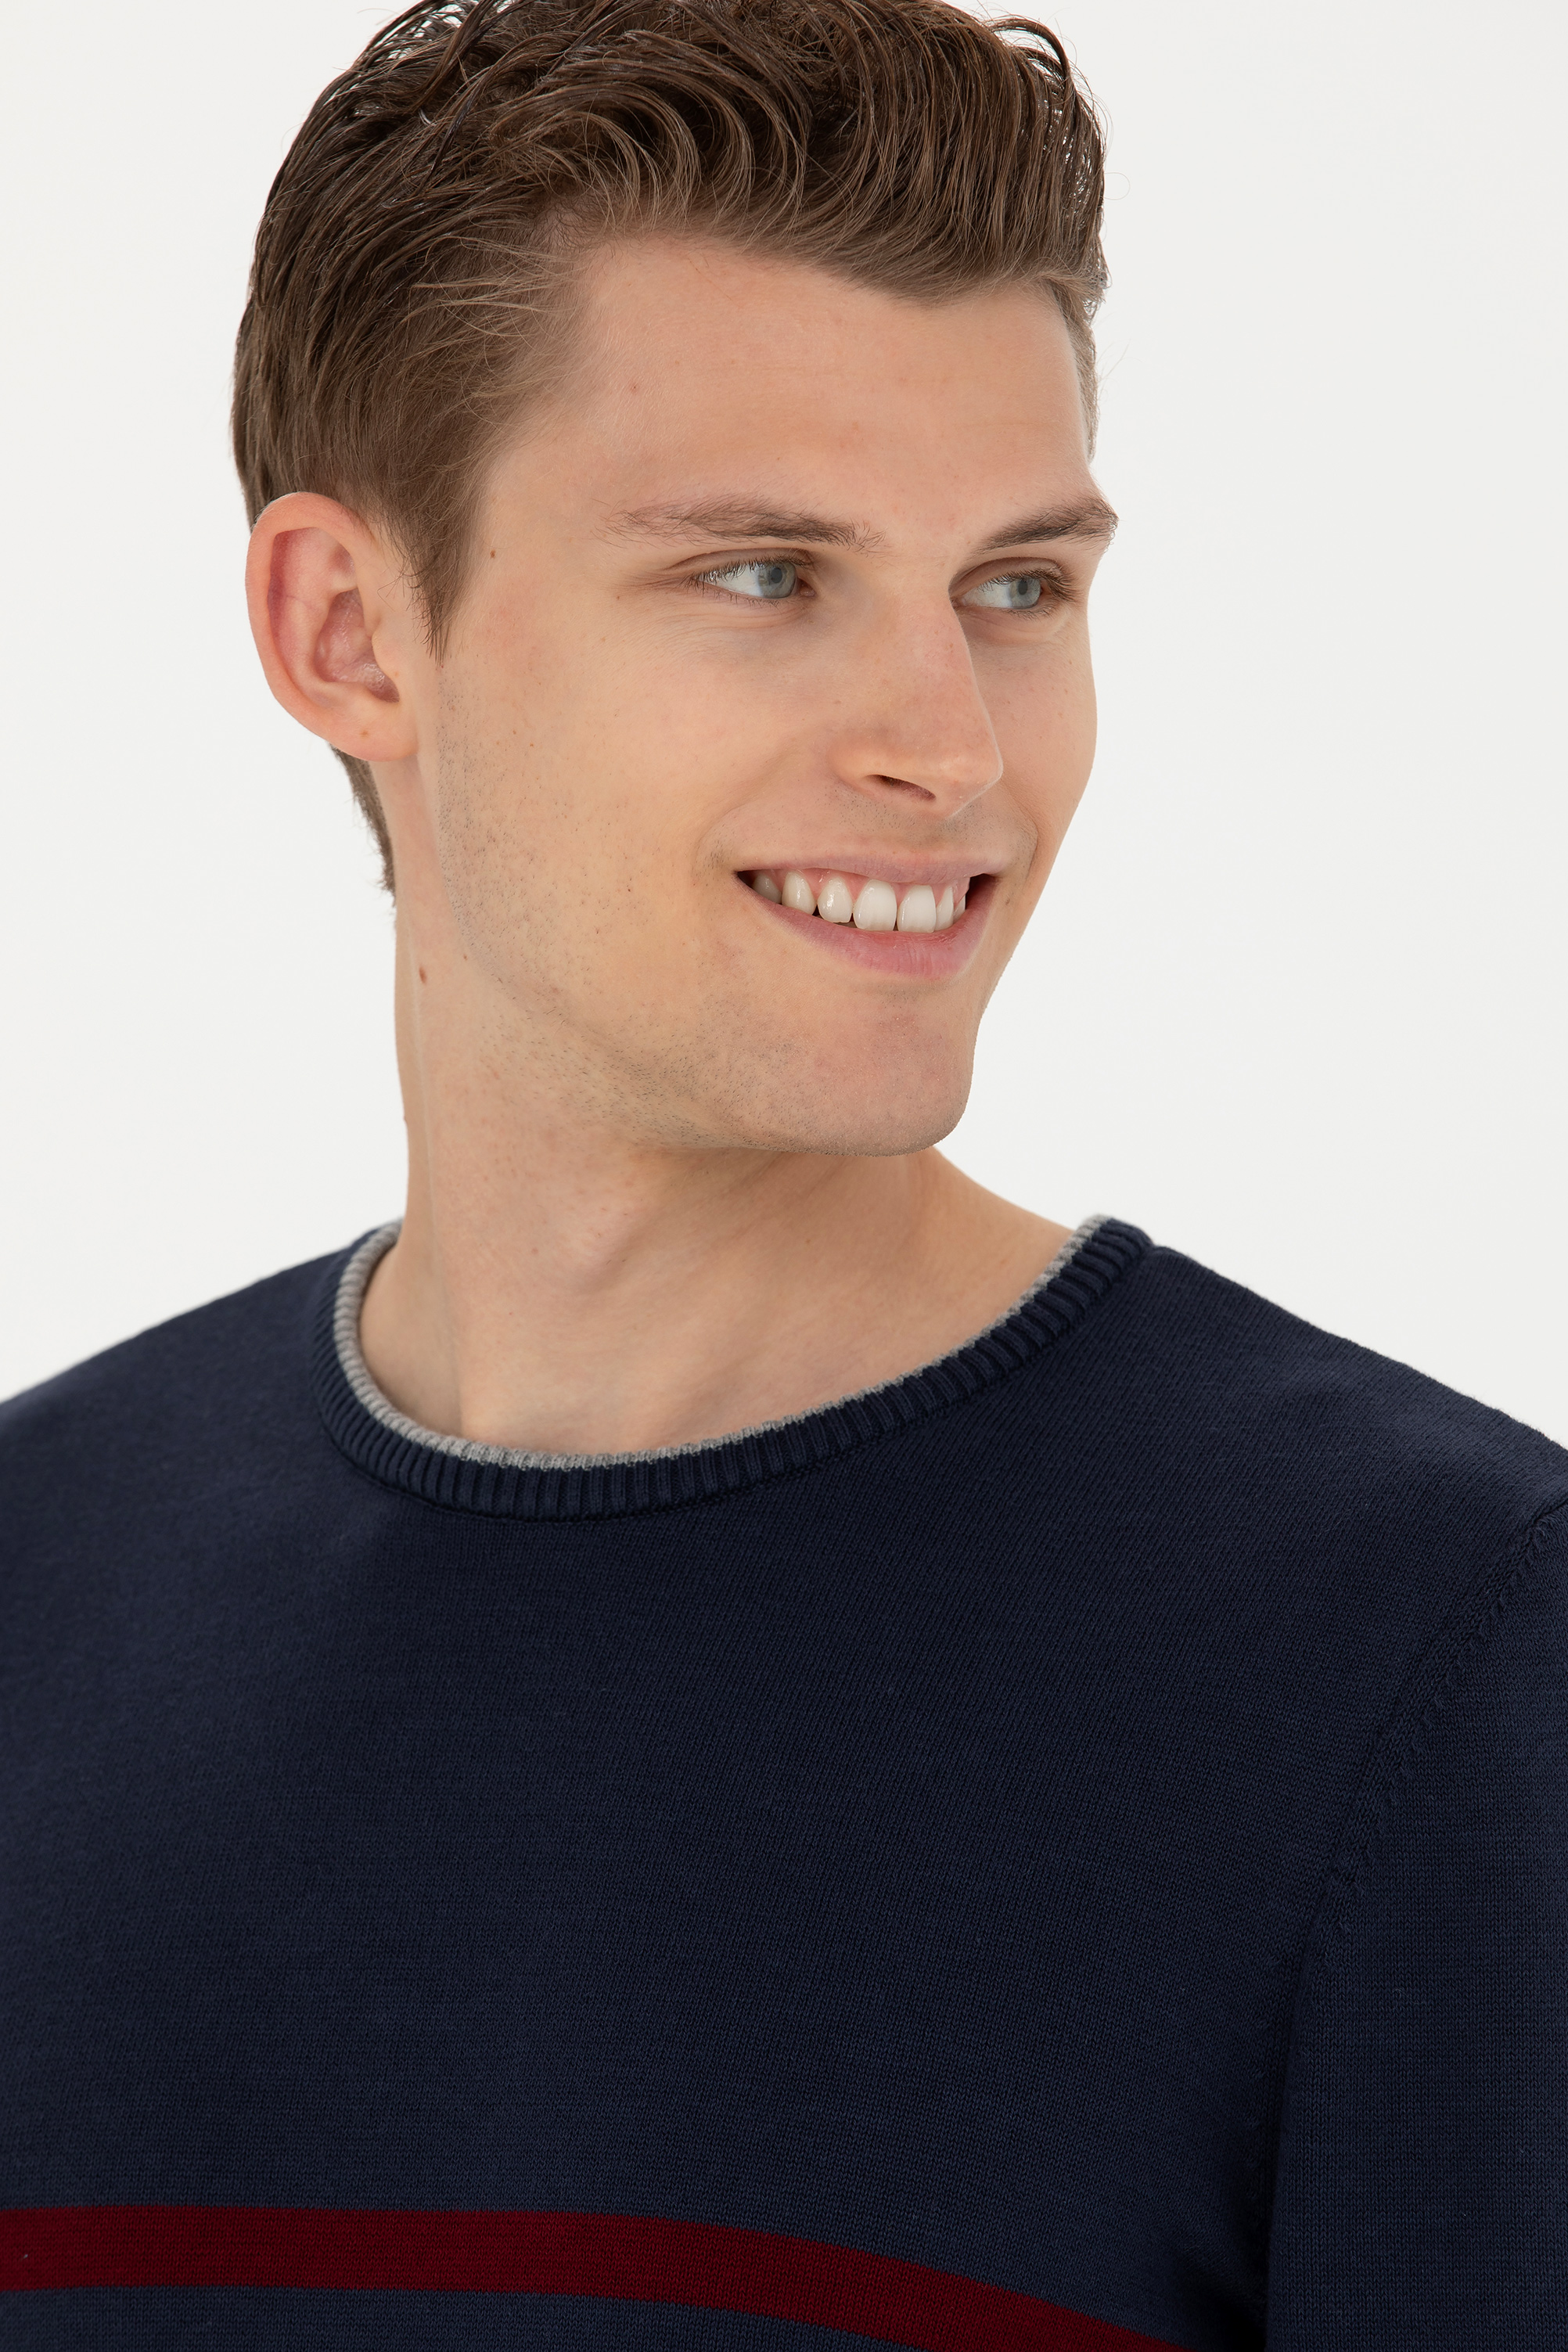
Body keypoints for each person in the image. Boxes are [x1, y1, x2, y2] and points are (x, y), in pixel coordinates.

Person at [2, 0, 1563, 2343]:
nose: (950, 748)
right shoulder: (32, 1593)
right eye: (761, 576)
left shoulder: (1440, 1659)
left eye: (1016, 586)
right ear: (348, 632)